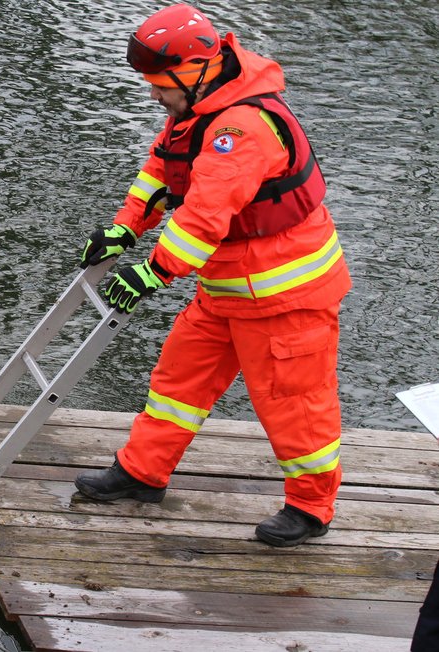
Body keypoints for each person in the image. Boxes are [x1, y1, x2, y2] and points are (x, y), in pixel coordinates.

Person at [74, 3, 351, 547]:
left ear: (198, 69)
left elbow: (203, 215)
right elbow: (161, 171)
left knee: (297, 406)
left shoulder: (241, 128)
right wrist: (125, 228)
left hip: (285, 298)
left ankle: (312, 507)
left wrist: (152, 273)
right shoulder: (198, 108)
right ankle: (141, 472)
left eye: (158, 84)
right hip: (227, 288)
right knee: (178, 384)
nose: (154, 95)